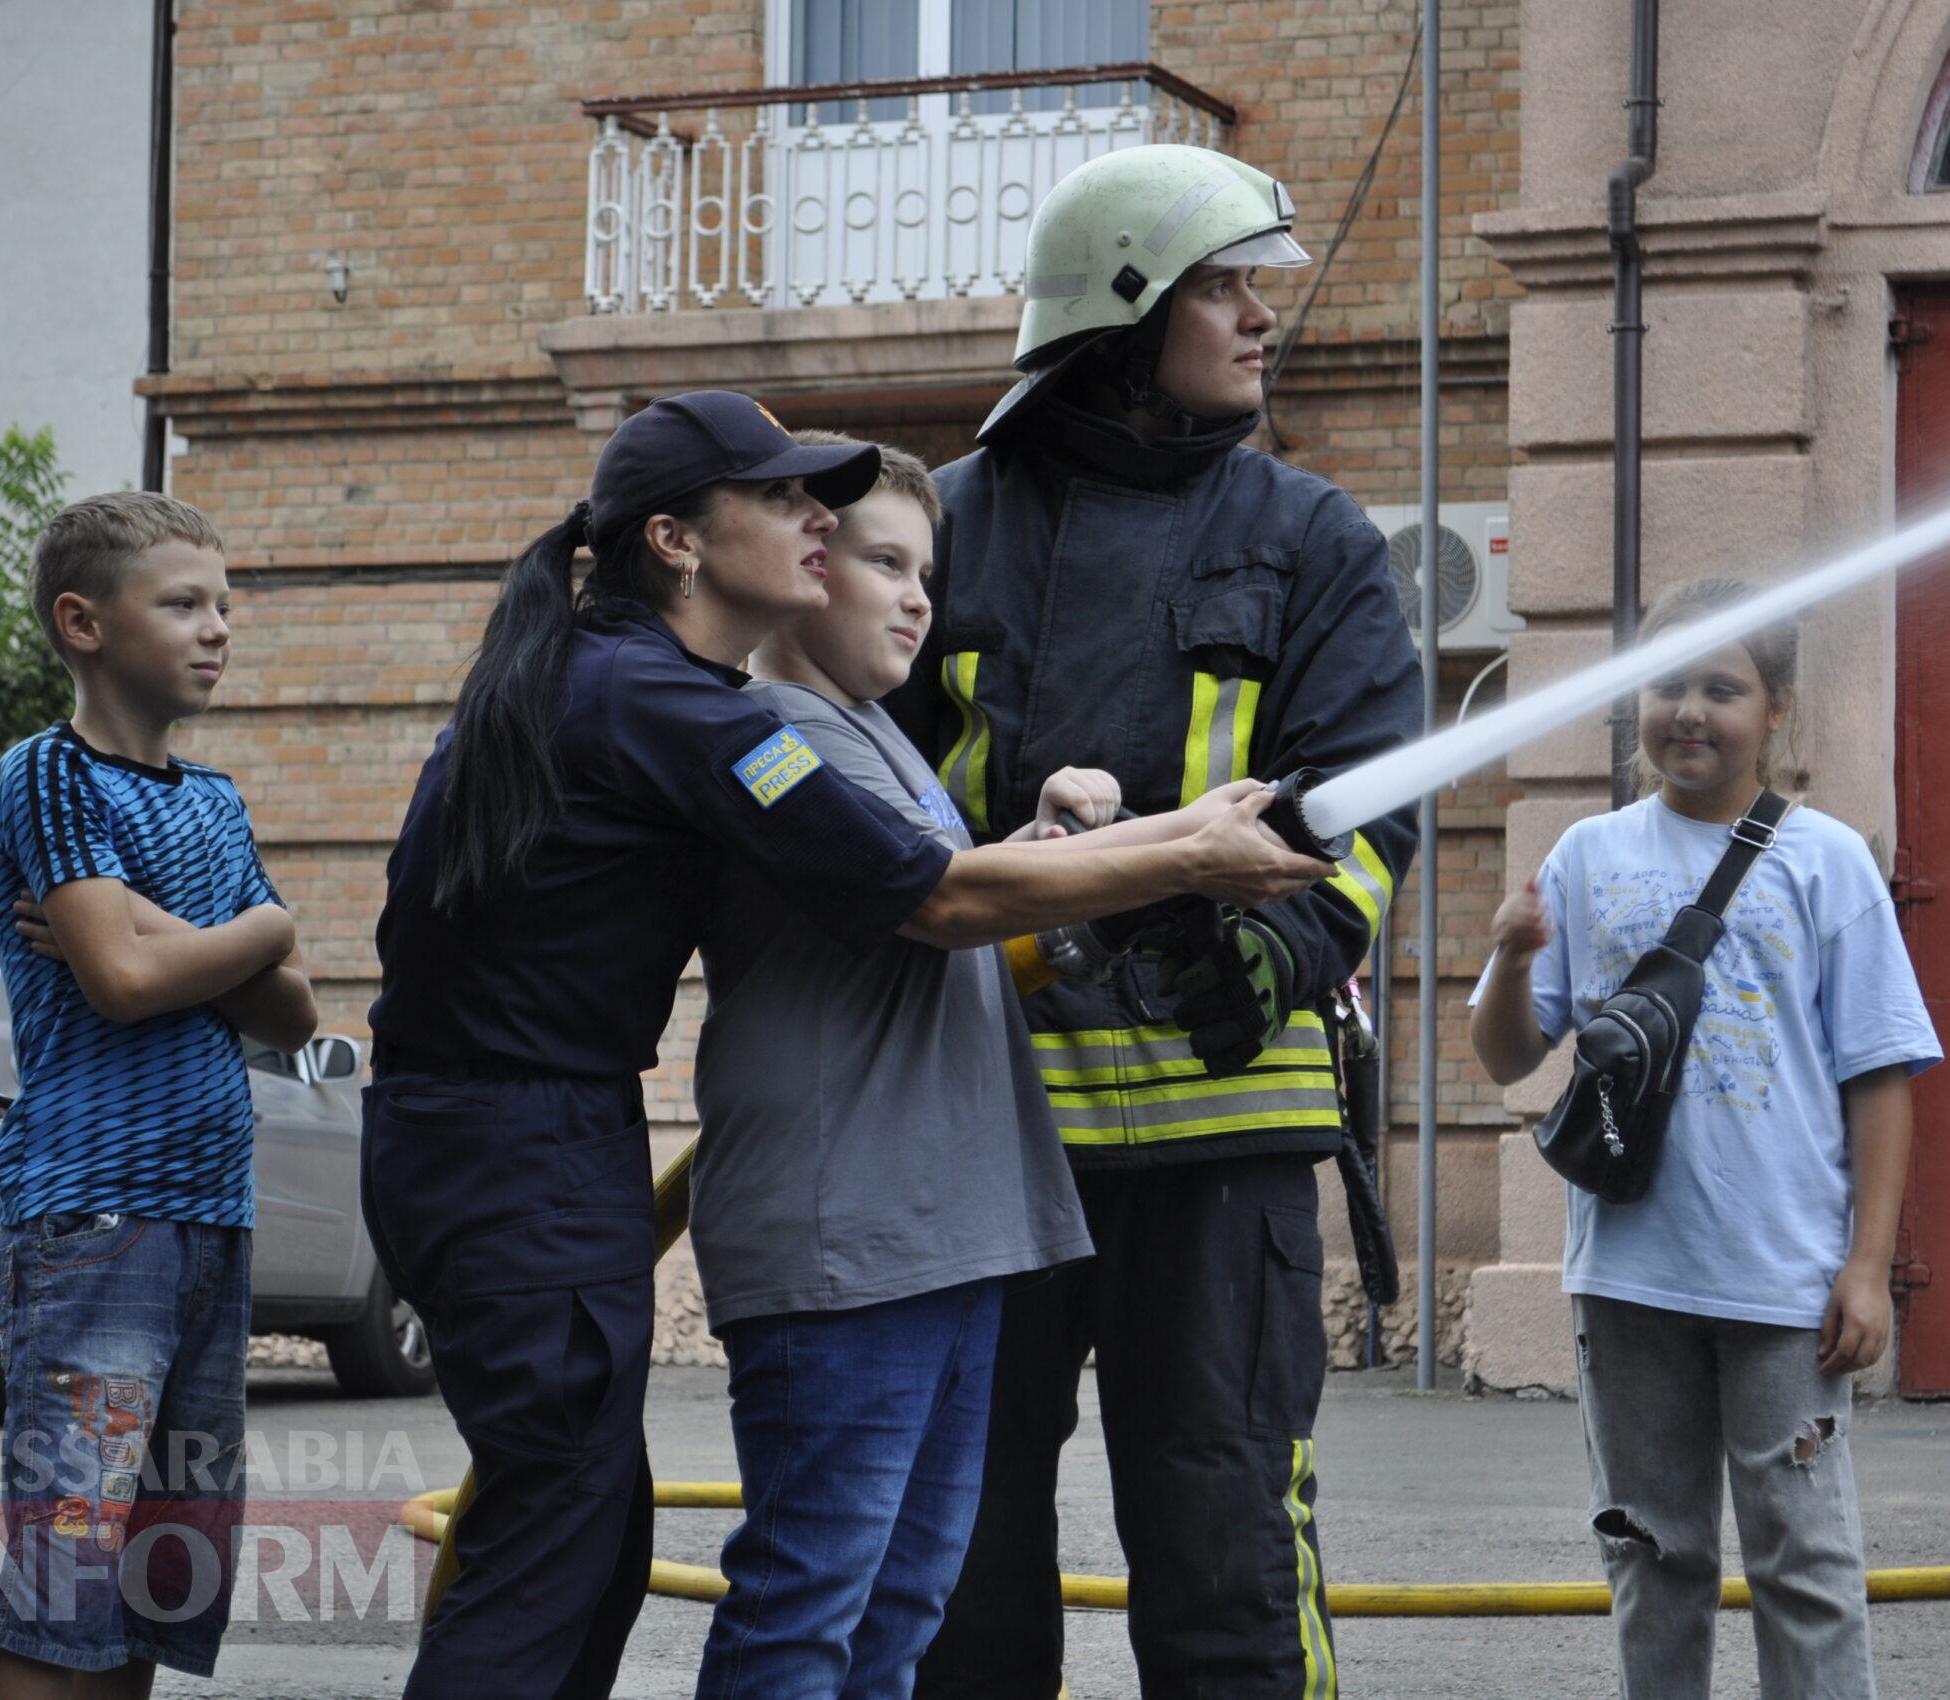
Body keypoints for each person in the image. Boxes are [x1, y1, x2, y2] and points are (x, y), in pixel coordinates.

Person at [363, 392, 1332, 1700]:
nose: (814, 520)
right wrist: (1185, 851)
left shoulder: (636, 683)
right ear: (677, 542)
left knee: (592, 1535)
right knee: (566, 1541)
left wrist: (1127, 847)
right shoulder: (684, 708)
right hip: (514, 1145)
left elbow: (934, 877)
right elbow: (933, 900)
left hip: (529, 1135)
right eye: (779, 501)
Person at [893, 145, 1423, 1699]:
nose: (1264, 316)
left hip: (1223, 1130)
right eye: (1223, 284)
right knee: (966, 1571)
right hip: (984, 1134)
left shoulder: (1310, 538)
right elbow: (865, 802)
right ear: (1125, 317)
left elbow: (1370, 815)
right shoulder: (942, 530)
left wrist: (1257, 955)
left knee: (1226, 1555)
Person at [691, 431, 1254, 1698]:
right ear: (805, 566)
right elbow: (939, 908)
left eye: (924, 574)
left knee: (899, 1612)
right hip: (850, 1240)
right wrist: (1178, 851)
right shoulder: (773, 734)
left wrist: (1058, 858)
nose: (914, 598)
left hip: (944, 1233)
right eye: (880, 561)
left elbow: (963, 951)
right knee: (811, 1605)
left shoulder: (871, 736)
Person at [1467, 578, 1942, 1700]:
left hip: (1785, 1280)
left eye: (1720, 688)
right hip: (1628, 1276)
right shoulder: (1585, 853)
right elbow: (1501, 1057)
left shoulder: (1826, 860)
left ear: (1773, 708)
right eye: (1666, 684)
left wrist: (1866, 1268)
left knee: (1805, 1560)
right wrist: (1513, 953)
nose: (1689, 709)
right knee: (1651, 1553)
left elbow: (1879, 1078)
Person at [0, 492, 320, 1698]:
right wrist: (260, 928)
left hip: (209, 1222)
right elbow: (122, 981)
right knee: (62, 1580)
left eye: (224, 603)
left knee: (147, 1586)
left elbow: (296, 1014)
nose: (217, 626)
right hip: (93, 1224)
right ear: (83, 621)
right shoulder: (50, 773)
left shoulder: (213, 800)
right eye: (182, 602)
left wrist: (194, 936)